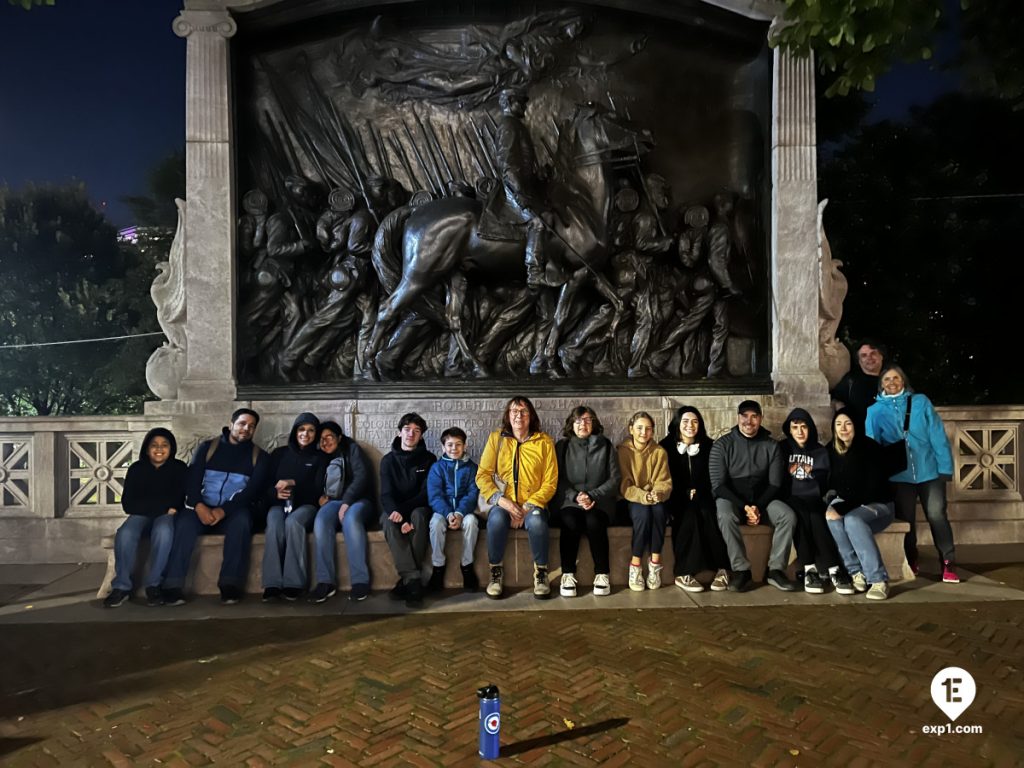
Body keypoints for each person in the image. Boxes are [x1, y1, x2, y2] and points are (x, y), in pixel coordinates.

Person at [161, 408, 271, 605]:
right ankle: (172, 585)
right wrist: (199, 506)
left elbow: (251, 492)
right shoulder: (208, 448)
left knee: (243, 522)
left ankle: (230, 585)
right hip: (201, 509)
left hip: (232, 512)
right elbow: (192, 481)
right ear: (231, 424)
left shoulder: (259, 456)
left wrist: (223, 511)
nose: (246, 429)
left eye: (251, 426)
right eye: (242, 424)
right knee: (184, 525)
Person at [866, 364, 959, 582]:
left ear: (904, 381)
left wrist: (945, 469)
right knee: (906, 520)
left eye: (895, 378)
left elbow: (937, 434)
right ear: (881, 385)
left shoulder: (920, 402)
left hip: (930, 471)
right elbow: (872, 446)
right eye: (886, 380)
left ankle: (948, 562)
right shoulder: (874, 411)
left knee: (937, 514)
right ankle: (911, 557)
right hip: (899, 475)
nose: (891, 383)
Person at [709, 400, 798, 593]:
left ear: (761, 419)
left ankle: (775, 570)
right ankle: (741, 570)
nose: (749, 421)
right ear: (738, 417)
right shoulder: (721, 445)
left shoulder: (771, 446)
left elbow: (775, 483)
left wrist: (756, 507)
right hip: (732, 501)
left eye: (754, 416)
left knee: (787, 515)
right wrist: (745, 507)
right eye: (745, 416)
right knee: (723, 513)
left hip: (763, 501)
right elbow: (719, 486)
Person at [476, 395, 557, 599]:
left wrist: (527, 507)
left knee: (538, 522)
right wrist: (502, 501)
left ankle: (541, 573)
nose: (518, 416)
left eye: (523, 411)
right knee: (495, 520)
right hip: (504, 502)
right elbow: (483, 475)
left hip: (533, 504)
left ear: (531, 416)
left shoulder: (544, 441)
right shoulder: (497, 439)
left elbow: (550, 481)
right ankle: (495, 572)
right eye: (514, 411)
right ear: (507, 415)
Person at [104, 428, 187, 608]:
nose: (159, 449)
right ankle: (121, 587)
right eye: (154, 445)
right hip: (141, 515)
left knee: (164, 531)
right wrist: (162, 506)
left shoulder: (179, 468)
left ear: (171, 448)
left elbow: (179, 500)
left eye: (164, 445)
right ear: (147, 448)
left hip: (164, 517)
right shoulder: (137, 469)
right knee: (125, 533)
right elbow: (128, 504)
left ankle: (154, 585)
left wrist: (161, 507)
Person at [778, 408, 853, 595]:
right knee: (801, 516)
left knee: (817, 517)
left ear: (810, 428)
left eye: (804, 427)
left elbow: (825, 481)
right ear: (789, 430)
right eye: (795, 427)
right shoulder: (782, 448)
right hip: (790, 497)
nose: (800, 432)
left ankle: (834, 569)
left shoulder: (820, 450)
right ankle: (809, 568)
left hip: (813, 497)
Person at [825, 409, 896, 600]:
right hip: (848, 502)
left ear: (856, 425)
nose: (843, 429)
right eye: (838, 424)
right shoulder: (831, 449)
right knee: (831, 517)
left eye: (848, 423)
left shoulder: (869, 448)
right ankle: (856, 573)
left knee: (853, 520)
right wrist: (832, 501)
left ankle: (878, 579)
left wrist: (843, 508)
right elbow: (829, 483)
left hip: (879, 503)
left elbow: (872, 489)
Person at [660, 406, 730, 593]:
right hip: (674, 498)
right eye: (685, 421)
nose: (690, 426)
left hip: (704, 496)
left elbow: (715, 477)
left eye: (695, 421)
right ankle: (684, 572)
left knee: (708, 513)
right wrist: (684, 492)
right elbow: (662, 478)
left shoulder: (710, 446)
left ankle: (722, 569)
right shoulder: (665, 447)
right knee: (688, 515)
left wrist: (699, 491)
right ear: (677, 424)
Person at [554, 405, 621, 597]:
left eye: (587, 420)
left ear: (594, 423)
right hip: (570, 501)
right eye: (578, 420)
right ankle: (567, 574)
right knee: (570, 521)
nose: (582, 424)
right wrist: (575, 496)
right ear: (571, 424)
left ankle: (602, 574)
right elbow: (556, 479)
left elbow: (615, 479)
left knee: (594, 521)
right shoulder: (563, 446)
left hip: (600, 502)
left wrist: (593, 495)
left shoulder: (606, 445)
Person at [260, 412, 325, 602]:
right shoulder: (279, 454)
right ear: (295, 431)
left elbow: (319, 488)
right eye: (302, 429)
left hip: (306, 506)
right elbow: (264, 484)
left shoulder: (319, 458)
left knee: (293, 523)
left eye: (311, 430)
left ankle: (293, 583)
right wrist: (274, 493)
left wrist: (293, 482)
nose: (306, 434)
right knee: (274, 523)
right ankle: (272, 584)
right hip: (279, 505)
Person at [309, 421, 375, 603]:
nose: (325, 442)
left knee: (351, 519)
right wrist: (319, 497)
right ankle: (325, 581)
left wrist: (347, 502)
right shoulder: (321, 456)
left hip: (361, 500)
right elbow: (314, 482)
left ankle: (360, 581)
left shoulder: (352, 449)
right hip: (334, 502)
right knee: (321, 520)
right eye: (321, 439)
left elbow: (362, 477)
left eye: (329, 437)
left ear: (339, 437)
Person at [380, 413, 437, 607]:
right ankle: (413, 579)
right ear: (399, 433)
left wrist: (403, 515)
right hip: (395, 509)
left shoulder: (429, 459)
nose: (410, 434)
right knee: (387, 520)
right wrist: (398, 515)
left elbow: (426, 494)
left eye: (416, 431)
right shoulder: (387, 461)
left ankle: (407, 581)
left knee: (419, 516)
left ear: (421, 436)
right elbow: (386, 495)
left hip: (418, 507)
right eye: (407, 430)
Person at [618, 411, 672, 591]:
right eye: (639, 428)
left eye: (648, 429)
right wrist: (643, 496)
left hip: (653, 498)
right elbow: (624, 484)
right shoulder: (623, 451)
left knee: (659, 511)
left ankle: (655, 562)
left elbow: (664, 482)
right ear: (631, 429)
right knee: (642, 514)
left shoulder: (659, 452)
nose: (644, 432)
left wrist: (657, 494)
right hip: (630, 498)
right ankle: (635, 564)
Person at [426, 427, 481, 593]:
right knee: (435, 523)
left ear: (465, 446)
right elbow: (435, 495)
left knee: (472, 522)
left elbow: (473, 494)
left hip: (464, 511)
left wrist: (459, 513)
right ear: (443, 447)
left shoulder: (472, 468)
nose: (454, 448)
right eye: (449, 445)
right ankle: (438, 567)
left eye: (458, 444)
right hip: (443, 511)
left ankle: (467, 565)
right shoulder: (437, 468)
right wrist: (449, 514)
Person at [831, 340, 887, 429]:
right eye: (864, 355)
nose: (869, 358)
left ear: (881, 356)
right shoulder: (850, 381)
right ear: (859, 361)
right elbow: (836, 399)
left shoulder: (893, 379)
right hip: (860, 437)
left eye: (873, 353)